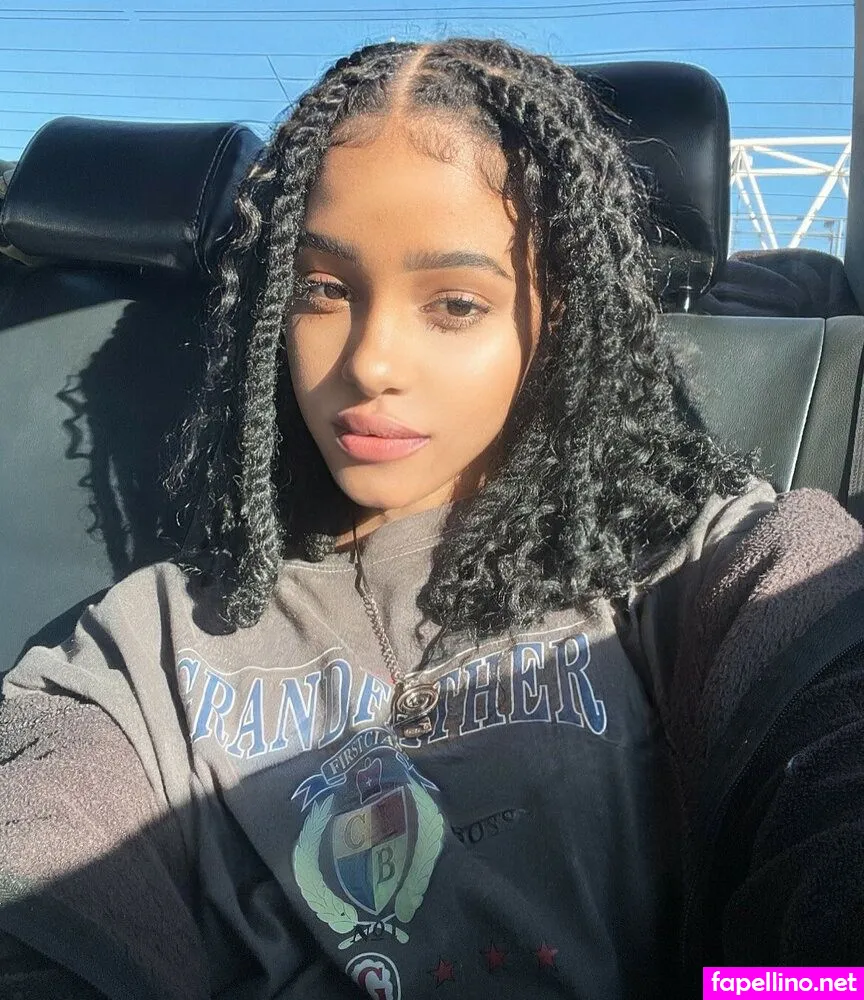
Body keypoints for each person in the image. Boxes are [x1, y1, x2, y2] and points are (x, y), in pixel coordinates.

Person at [1, 37, 863, 1000]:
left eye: (454, 303)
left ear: (559, 317)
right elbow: (39, 883)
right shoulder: (146, 645)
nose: (370, 362)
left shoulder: (714, 569)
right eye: (322, 290)